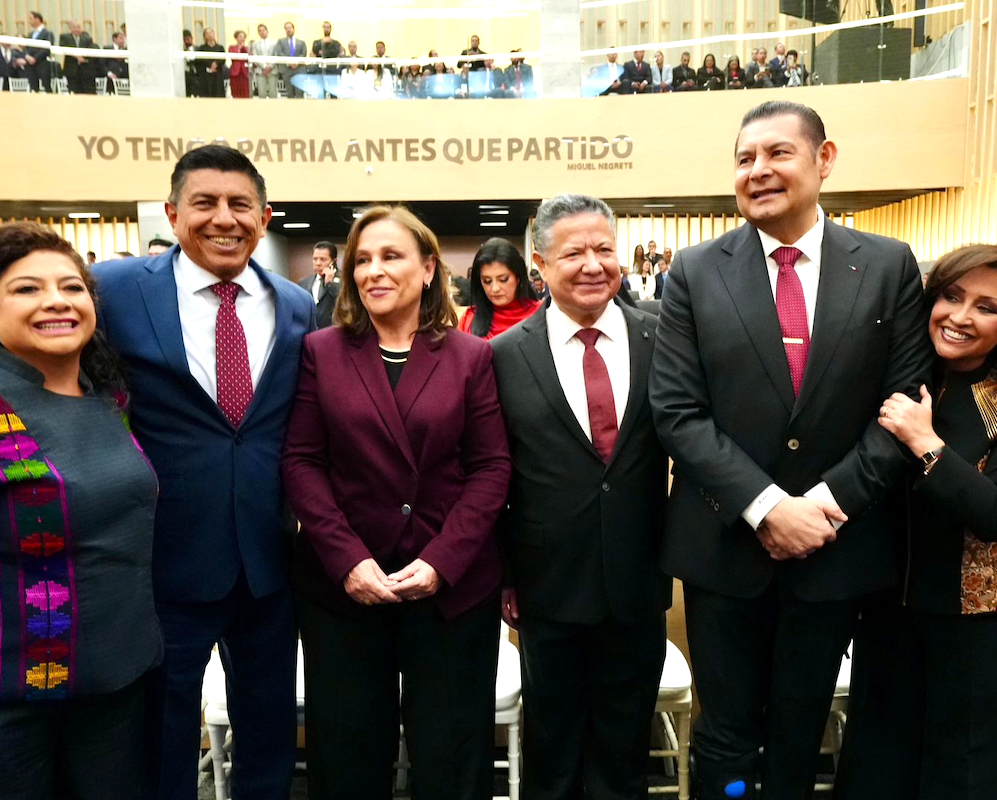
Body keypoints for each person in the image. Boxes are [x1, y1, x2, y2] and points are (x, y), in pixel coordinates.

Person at [648, 99, 932, 800]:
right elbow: (678, 412)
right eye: (744, 158)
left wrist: (822, 507)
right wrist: (769, 508)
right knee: (725, 733)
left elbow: (903, 408)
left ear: (823, 159)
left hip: (836, 548)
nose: (758, 170)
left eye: (778, 153)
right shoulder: (695, 271)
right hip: (725, 545)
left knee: (801, 731)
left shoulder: (888, 265)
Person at [94, 145, 313, 799]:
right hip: (164, 558)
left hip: (269, 559)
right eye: (205, 203)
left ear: (264, 218)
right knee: (163, 735)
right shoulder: (115, 289)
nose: (224, 218)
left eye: (240, 204)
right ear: (172, 213)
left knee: (269, 729)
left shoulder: (296, 304)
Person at [282, 205, 510, 800]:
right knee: (348, 762)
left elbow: (491, 469)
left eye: (390, 256)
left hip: (451, 591)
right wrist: (345, 559)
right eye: (362, 260)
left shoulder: (470, 355)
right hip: (344, 591)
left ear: (429, 268)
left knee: (452, 761)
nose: (373, 271)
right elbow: (302, 462)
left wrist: (442, 560)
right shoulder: (322, 351)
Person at [834, 245, 997, 800]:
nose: (960, 316)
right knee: (877, 767)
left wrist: (925, 442)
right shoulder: (894, 376)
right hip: (887, 609)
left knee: (964, 774)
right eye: (951, 296)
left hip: (978, 621)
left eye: (987, 307)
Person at [0, 222, 162, 799]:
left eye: (72, 287)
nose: (56, 300)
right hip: (7, 702)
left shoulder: (110, 398)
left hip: (118, 681)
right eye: (27, 289)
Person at [493, 194, 671, 800]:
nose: (593, 265)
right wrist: (506, 573)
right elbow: (494, 472)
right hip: (547, 584)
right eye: (574, 253)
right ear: (540, 264)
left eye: (604, 249)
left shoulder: (664, 338)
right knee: (553, 750)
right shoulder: (503, 356)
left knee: (625, 752)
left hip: (639, 578)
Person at [458, 238, 540, 339]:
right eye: (487, 281)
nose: (495, 288)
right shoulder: (469, 319)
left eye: (503, 279)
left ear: (518, 277)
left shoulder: (542, 314)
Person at [298, 241, 341, 328]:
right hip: (310, 331)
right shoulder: (303, 282)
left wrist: (330, 283)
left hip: (334, 330)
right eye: (315, 259)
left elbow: (345, 301)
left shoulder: (345, 279)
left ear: (334, 262)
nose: (318, 263)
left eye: (323, 259)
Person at [59, 20, 95, 94]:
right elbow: (63, 48)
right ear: (70, 28)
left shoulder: (87, 39)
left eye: (78, 27)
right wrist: (77, 57)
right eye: (74, 27)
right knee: (73, 91)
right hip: (71, 69)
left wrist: (84, 59)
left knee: (86, 92)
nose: (76, 29)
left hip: (85, 70)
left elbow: (91, 50)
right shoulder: (64, 37)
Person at [23, 10, 54, 93]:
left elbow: (47, 48)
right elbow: (25, 47)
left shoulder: (47, 33)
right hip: (30, 65)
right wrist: (27, 56)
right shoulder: (30, 34)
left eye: (31, 18)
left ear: (37, 19)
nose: (29, 21)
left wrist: (35, 58)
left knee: (46, 86)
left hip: (42, 63)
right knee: (33, 86)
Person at [274, 21, 307, 98]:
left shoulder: (301, 42)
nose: (288, 30)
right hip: (286, 70)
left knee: (299, 92)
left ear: (293, 29)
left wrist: (296, 62)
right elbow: (279, 53)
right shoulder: (280, 42)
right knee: (289, 93)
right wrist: (289, 62)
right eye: (286, 28)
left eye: (290, 28)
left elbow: (303, 54)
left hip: (299, 69)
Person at [249, 23, 277, 99]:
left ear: (267, 31)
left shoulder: (274, 43)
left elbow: (276, 56)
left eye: (263, 30)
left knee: (273, 93)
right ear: (258, 33)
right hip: (260, 71)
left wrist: (269, 66)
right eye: (260, 31)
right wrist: (264, 66)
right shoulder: (255, 44)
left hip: (272, 70)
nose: (262, 32)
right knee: (261, 94)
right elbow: (255, 56)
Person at [197, 28, 225, 98]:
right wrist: (210, 64)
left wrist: (216, 64)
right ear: (204, 36)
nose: (209, 35)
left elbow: (223, 59)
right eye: (207, 33)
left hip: (218, 74)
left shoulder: (220, 47)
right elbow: (200, 60)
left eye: (211, 32)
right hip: (206, 75)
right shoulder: (202, 48)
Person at [228, 29, 250, 98]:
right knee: (235, 92)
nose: (242, 38)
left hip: (245, 72)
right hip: (235, 72)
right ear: (236, 38)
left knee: (245, 93)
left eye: (243, 37)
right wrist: (239, 50)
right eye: (240, 36)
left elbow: (248, 58)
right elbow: (233, 57)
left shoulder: (247, 48)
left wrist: (243, 48)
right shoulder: (231, 47)